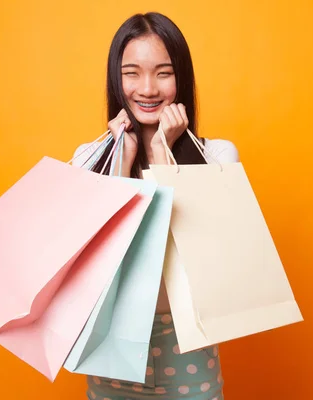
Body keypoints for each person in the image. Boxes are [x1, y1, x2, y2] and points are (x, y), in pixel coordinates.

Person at [72, 12, 239, 400]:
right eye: (132, 73)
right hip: (109, 349)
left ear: (181, 78)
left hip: (188, 351)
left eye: (163, 73)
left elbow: (199, 260)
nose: (147, 88)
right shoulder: (87, 160)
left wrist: (165, 153)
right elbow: (96, 264)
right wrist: (122, 164)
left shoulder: (218, 157)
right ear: (117, 80)